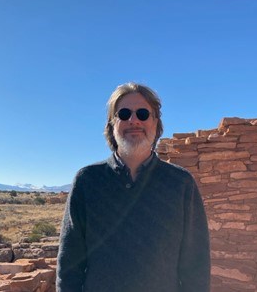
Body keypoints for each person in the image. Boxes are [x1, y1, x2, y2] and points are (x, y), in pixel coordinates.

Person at [56, 82, 210, 292]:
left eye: (143, 114)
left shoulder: (180, 183)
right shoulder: (88, 181)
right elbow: (69, 265)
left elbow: (196, 266)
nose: (133, 120)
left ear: (156, 123)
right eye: (124, 113)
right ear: (112, 124)